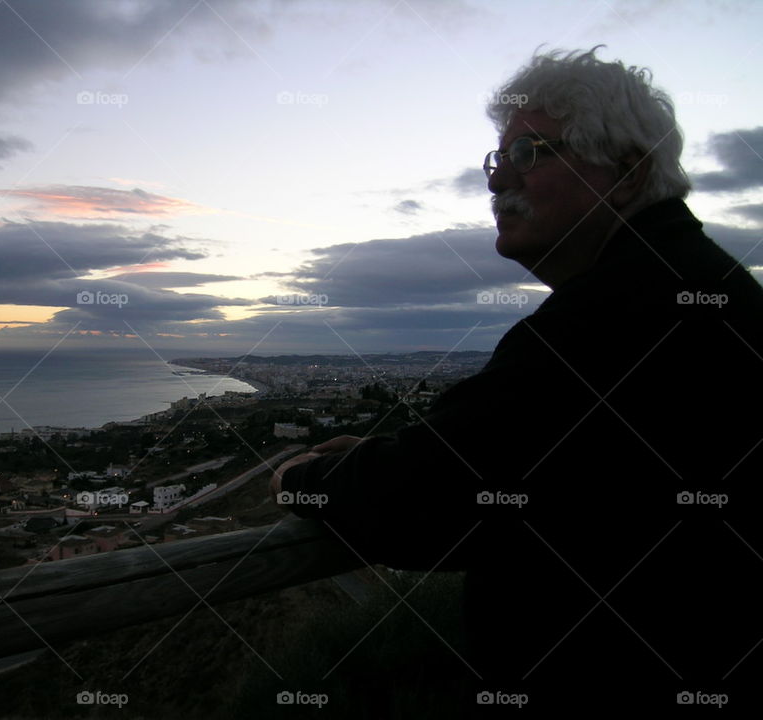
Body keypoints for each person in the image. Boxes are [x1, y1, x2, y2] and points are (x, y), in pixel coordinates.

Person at [270, 48, 763, 715]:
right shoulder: (698, 285)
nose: (498, 179)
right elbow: (522, 463)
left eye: (529, 153)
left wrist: (296, 479)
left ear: (627, 172)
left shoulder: (615, 312)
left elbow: (432, 499)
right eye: (495, 160)